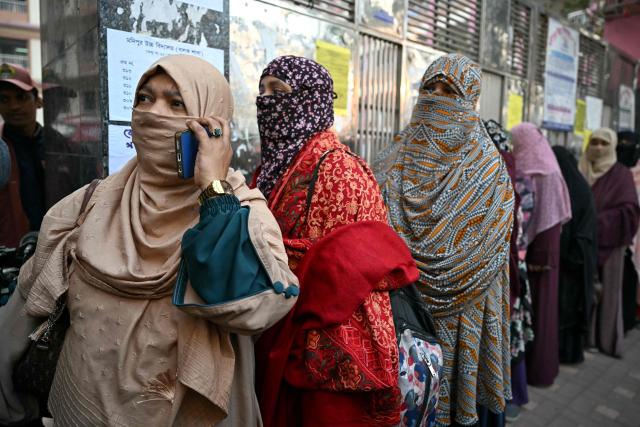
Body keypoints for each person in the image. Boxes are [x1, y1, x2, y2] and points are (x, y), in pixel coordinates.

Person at [0, 55, 298, 426]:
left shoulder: (242, 212)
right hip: (79, 408)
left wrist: (212, 189)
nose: (153, 113)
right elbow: (21, 313)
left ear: (214, 121)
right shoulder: (89, 203)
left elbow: (251, 306)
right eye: (144, 98)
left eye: (176, 103)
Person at [252, 56, 419, 427]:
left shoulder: (344, 171)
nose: (266, 101)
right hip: (268, 324)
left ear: (311, 99)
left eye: (278, 91)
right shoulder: (271, 167)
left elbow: (359, 268)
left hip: (319, 348)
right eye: (262, 91)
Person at [376, 54, 514, 426]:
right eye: (429, 89)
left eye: (448, 91)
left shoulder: (489, 175)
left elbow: (490, 260)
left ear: (469, 101)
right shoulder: (390, 161)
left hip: (464, 319)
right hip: (401, 320)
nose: (435, 98)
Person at [511, 122, 571, 388]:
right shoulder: (549, 165)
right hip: (551, 245)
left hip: (539, 250)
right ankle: (544, 369)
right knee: (545, 310)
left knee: (536, 311)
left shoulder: (535, 169)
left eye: (516, 142)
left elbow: (529, 215)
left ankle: (537, 371)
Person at [484, 120, 534, 423]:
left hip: (506, 268)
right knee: (506, 338)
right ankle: (510, 396)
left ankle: (510, 396)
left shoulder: (498, 171)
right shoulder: (510, 168)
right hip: (512, 267)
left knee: (502, 339)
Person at [580, 128, 640, 357]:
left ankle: (605, 338)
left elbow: (630, 211)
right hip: (584, 242)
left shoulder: (621, 174)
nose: (598, 148)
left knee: (608, 293)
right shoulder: (581, 167)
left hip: (612, 244)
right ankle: (586, 336)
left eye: (604, 143)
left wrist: (598, 221)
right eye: (593, 142)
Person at [552, 146, 597, 364]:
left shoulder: (576, 189)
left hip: (575, 259)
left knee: (569, 306)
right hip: (573, 258)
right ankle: (566, 352)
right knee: (567, 306)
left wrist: (571, 255)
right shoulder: (575, 185)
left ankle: (568, 352)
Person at [0, 63, 45, 248]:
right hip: (11, 254)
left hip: (55, 249)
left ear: (38, 101)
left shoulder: (60, 147)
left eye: (21, 97)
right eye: (4, 99)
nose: (14, 106)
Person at [616, 130, 640, 331]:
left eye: (629, 144)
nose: (624, 148)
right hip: (619, 233)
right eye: (620, 143)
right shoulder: (613, 171)